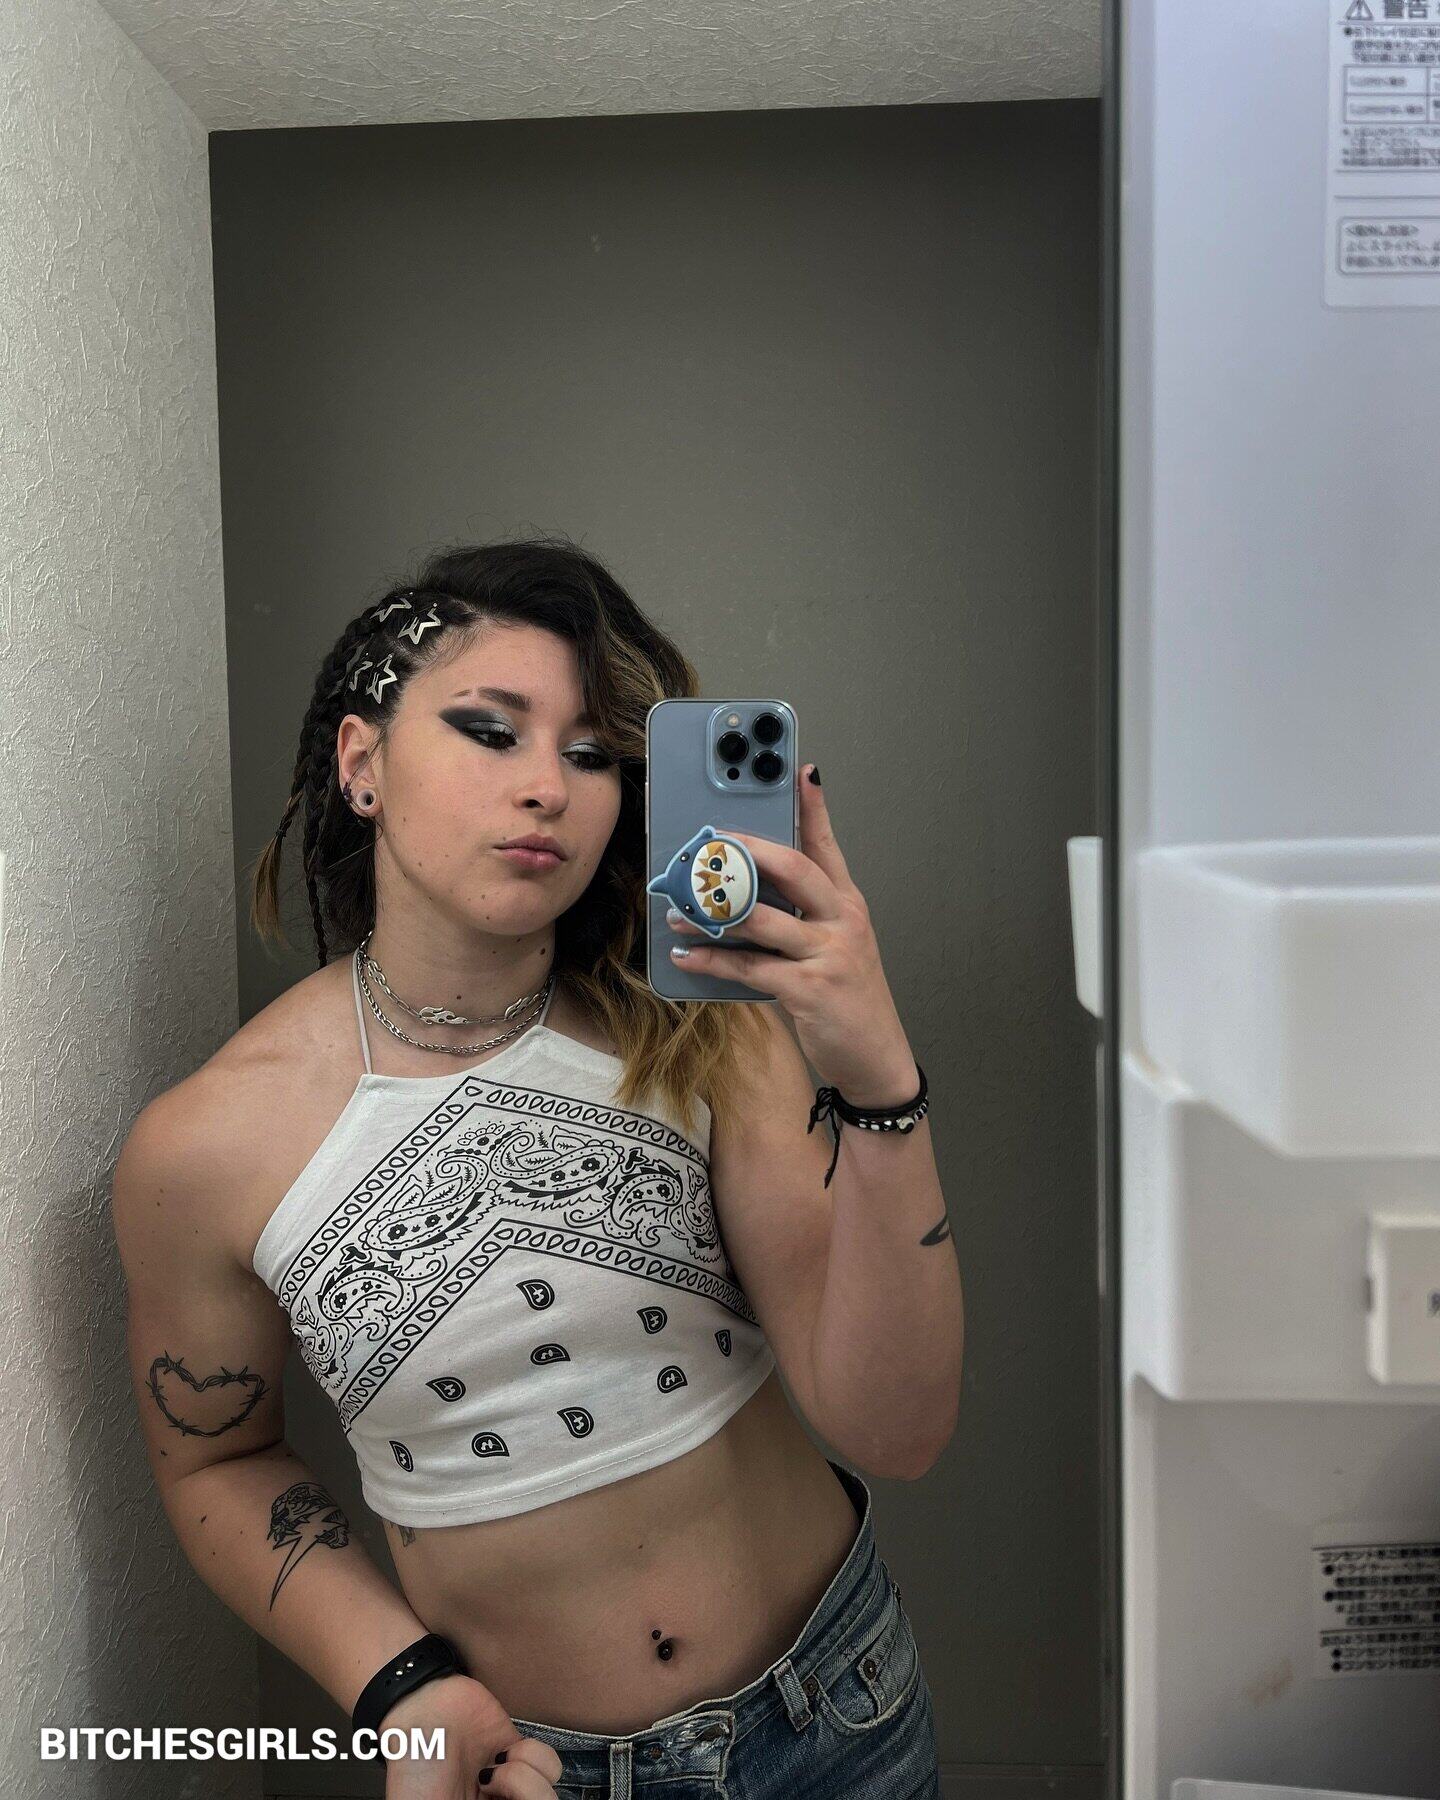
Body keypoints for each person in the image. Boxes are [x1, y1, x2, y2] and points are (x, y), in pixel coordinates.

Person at [112, 536, 963, 1799]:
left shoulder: (701, 1033)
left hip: (839, 1719)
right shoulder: (206, 1148)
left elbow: (896, 1429)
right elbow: (216, 1460)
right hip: (528, 1771)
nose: (548, 788)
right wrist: (402, 1688)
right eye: (490, 730)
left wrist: (880, 1078)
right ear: (361, 764)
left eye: (591, 753)